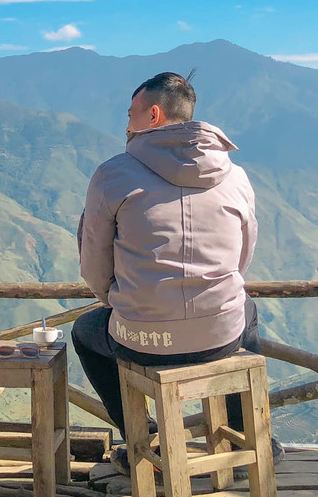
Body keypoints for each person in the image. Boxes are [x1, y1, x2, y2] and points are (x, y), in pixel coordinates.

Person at [71, 72, 282, 474]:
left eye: (130, 115)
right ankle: (252, 437)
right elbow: (242, 258)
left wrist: (125, 303)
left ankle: (149, 444)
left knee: (84, 332)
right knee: (244, 309)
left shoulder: (113, 174)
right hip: (219, 338)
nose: (126, 125)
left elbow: (93, 264)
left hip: (141, 339)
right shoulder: (236, 176)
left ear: (152, 114)